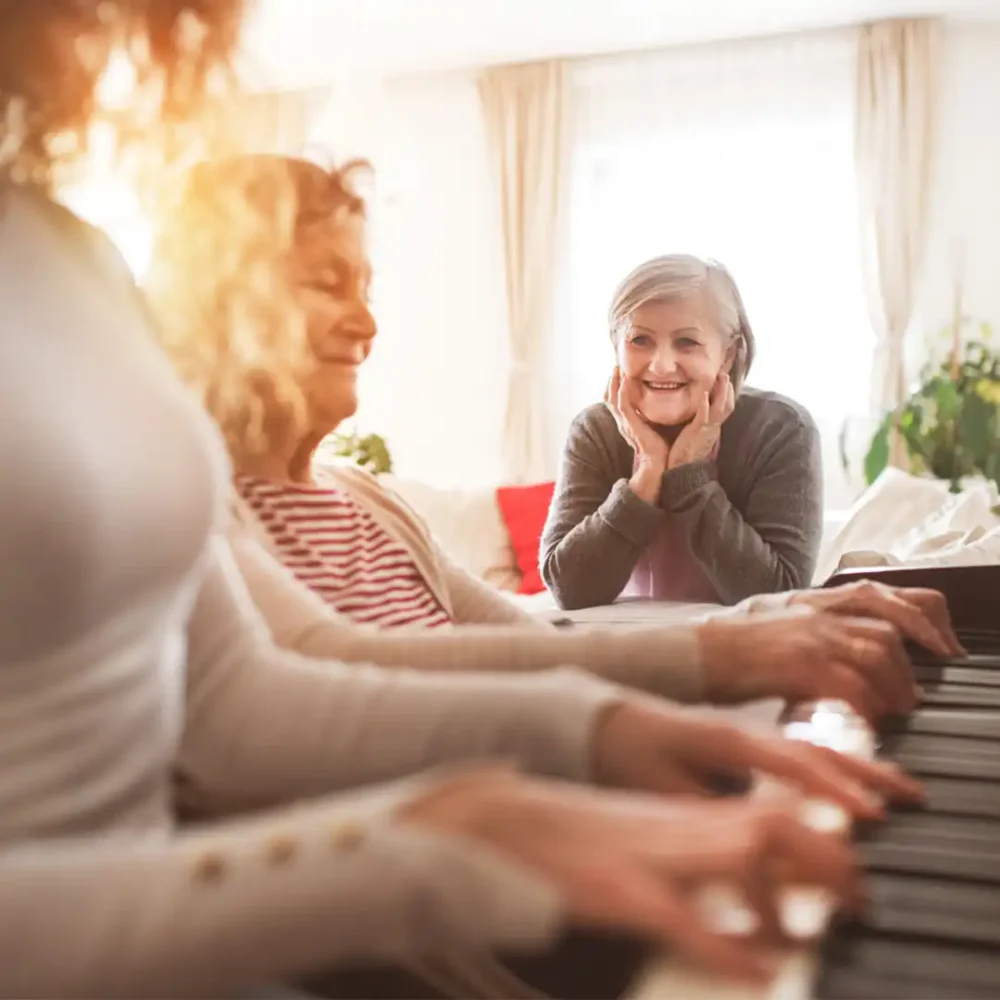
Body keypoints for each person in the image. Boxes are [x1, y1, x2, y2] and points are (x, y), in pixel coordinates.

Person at [0, 6, 926, 998]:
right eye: (325, 283)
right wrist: (442, 834)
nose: (366, 321)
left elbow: (269, 683)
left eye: (689, 342)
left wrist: (733, 639)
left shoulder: (75, 256)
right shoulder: (569, 436)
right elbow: (553, 586)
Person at [148, 155, 960, 723]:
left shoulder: (366, 497)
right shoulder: (186, 510)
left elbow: (520, 633)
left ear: (731, 353)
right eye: (328, 285)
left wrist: (782, 615)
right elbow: (356, 673)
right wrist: (653, 485)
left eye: (366, 288)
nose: (369, 322)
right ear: (220, 309)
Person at [541, 254, 824, 610]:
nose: (661, 365)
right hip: (623, 654)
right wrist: (647, 475)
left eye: (687, 342)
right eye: (640, 340)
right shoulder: (594, 431)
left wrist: (689, 474)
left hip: (744, 656)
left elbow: (779, 595)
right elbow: (569, 588)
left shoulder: (782, 429)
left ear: (728, 355)